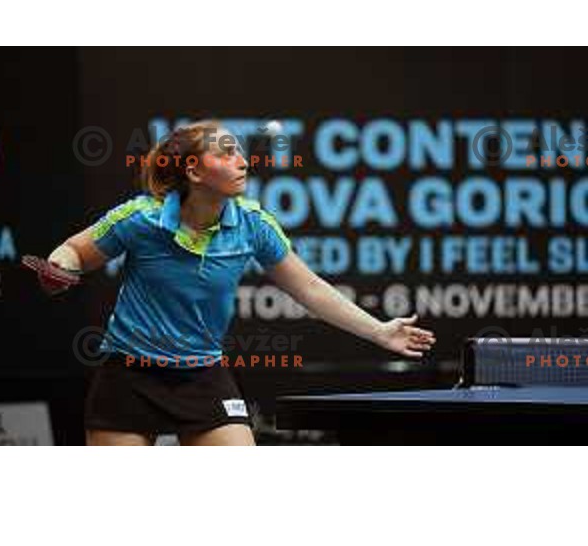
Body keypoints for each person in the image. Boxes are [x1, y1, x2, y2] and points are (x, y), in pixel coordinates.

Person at [46, 119, 435, 446]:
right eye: (226, 153)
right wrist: (59, 268)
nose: (243, 162)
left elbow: (310, 289)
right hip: (129, 376)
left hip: (202, 375)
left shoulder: (252, 224)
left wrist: (379, 331)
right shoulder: (140, 219)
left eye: (240, 152)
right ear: (194, 172)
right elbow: (75, 252)